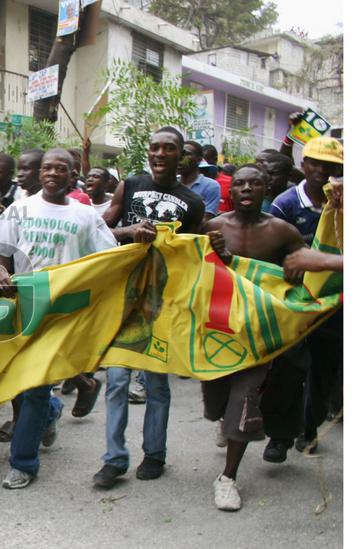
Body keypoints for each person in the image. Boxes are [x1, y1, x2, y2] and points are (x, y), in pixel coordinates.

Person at [0, 149, 117, 489]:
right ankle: (53, 410)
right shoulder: (20, 208)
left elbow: (109, 259)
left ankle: (23, 464)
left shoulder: (85, 216)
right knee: (27, 384)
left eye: (61, 169)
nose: (53, 173)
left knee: (34, 387)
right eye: (48, 168)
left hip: (65, 312)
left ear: (73, 176)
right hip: (26, 308)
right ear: (40, 173)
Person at [93, 126, 206, 489]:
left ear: (180, 156)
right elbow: (98, 231)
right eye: (154, 147)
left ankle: (155, 454)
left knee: (157, 382)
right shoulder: (130, 185)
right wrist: (129, 233)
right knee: (116, 380)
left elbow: (194, 256)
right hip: (122, 296)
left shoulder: (193, 202)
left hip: (163, 301)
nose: (159, 153)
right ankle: (114, 460)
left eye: (168, 148)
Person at [200, 164, 305, 511]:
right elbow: (193, 271)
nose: (246, 189)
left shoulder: (282, 231)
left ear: (266, 188)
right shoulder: (213, 227)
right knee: (216, 399)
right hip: (217, 330)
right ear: (231, 191)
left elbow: (301, 271)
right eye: (240, 184)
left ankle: (227, 477)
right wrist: (212, 254)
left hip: (259, 333)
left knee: (245, 400)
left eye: (255, 183)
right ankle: (224, 420)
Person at [269, 136, 343, 454]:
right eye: (315, 163)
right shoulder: (285, 204)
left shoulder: (344, 201)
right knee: (287, 367)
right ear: (303, 164)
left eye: (331, 166)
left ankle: (308, 430)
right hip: (293, 299)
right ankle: (279, 436)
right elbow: (272, 248)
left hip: (334, 302)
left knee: (324, 368)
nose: (322, 171)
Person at [180, 140, 222, 221]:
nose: (181, 158)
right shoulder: (169, 184)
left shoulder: (210, 186)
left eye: (187, 154)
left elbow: (205, 220)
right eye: (180, 154)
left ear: (199, 160)